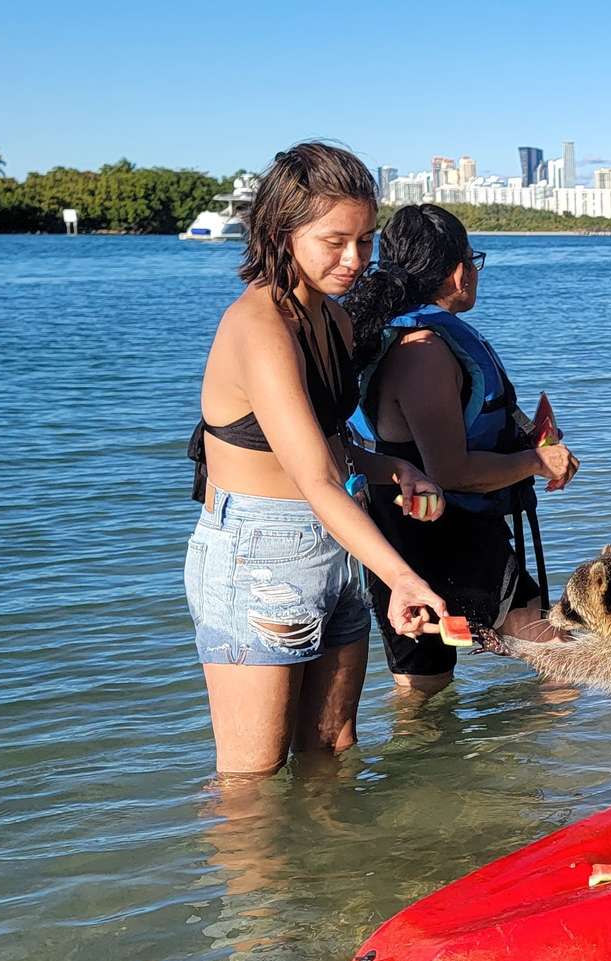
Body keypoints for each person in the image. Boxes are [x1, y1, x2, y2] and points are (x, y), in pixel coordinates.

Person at [185, 142, 449, 775]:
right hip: (258, 554)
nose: (355, 260)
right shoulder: (258, 327)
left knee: (332, 751)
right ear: (282, 233)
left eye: (366, 240)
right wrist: (402, 577)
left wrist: (394, 468)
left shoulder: (332, 319)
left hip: (333, 544)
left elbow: (328, 446)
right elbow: (314, 477)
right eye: (335, 242)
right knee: (251, 778)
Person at [344, 204, 579, 696]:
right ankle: (563, 747)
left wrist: (526, 444)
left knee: (422, 691)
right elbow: (451, 471)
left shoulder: (395, 337)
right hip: (446, 536)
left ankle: (439, 755)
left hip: (395, 537)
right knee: (564, 659)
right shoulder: (425, 351)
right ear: (459, 272)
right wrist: (537, 462)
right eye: (474, 260)